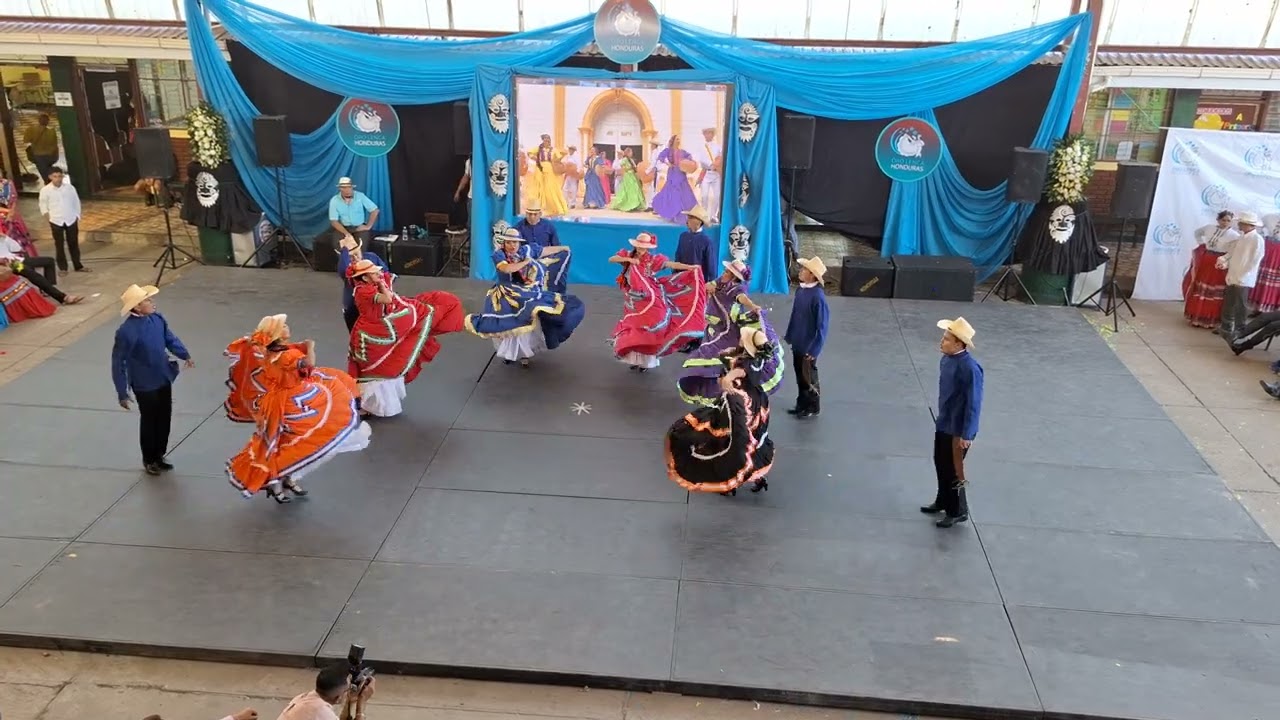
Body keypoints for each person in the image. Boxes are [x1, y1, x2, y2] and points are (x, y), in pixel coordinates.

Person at [227, 314, 370, 503]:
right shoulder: (287, 355)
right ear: (277, 334)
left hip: (278, 400)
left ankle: (283, 480)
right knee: (303, 441)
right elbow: (309, 366)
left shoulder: (270, 351)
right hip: (292, 399)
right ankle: (278, 479)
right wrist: (310, 348)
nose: (287, 327)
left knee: (280, 442)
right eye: (283, 326)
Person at [347, 258, 465, 417]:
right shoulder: (363, 291)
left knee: (386, 365)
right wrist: (381, 284)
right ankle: (367, 404)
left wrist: (380, 281)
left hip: (380, 327)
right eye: (374, 273)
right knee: (376, 369)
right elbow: (388, 299)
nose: (379, 274)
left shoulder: (369, 286)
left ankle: (371, 405)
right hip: (373, 331)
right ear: (365, 277)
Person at [465, 227, 584, 368]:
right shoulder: (499, 255)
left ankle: (524, 353)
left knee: (527, 321)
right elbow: (506, 269)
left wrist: (562, 248)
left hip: (525, 293)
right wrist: (526, 262)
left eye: (515, 242)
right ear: (504, 243)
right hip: (505, 295)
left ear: (519, 243)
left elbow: (543, 251)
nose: (512, 245)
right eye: (509, 242)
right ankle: (508, 353)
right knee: (506, 325)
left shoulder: (525, 251)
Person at [665, 347, 774, 496]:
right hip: (754, 401)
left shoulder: (736, 386)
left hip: (739, 405)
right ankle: (755, 476)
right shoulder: (754, 361)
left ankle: (737, 478)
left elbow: (740, 371)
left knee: (732, 441)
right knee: (751, 437)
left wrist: (727, 378)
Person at [112, 284, 193, 476]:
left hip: (162, 376)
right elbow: (118, 362)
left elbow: (169, 338)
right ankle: (149, 458)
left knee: (164, 416)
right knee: (149, 419)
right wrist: (122, 392)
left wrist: (184, 354)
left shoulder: (157, 319)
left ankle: (159, 454)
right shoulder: (126, 332)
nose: (152, 302)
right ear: (137, 307)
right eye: (147, 300)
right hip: (144, 382)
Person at [678, 260, 781, 406]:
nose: (724, 273)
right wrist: (710, 287)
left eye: (727, 272)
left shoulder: (736, 289)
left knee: (712, 357)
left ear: (734, 277)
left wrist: (753, 306)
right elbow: (709, 285)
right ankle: (716, 389)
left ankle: (726, 390)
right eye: (725, 271)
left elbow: (742, 298)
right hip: (714, 329)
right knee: (714, 360)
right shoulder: (722, 281)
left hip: (727, 330)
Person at [608, 232, 707, 371]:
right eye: (639, 245)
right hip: (633, 298)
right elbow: (612, 259)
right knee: (635, 326)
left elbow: (670, 263)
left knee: (650, 325)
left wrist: (689, 268)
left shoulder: (652, 260)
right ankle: (636, 359)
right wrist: (629, 260)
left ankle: (647, 361)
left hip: (650, 296)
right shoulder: (628, 256)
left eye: (644, 246)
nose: (641, 248)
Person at [921, 317, 984, 529]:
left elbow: (974, 403)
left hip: (958, 428)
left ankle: (958, 510)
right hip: (945, 422)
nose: (942, 341)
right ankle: (943, 500)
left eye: (947, 339)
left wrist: (968, 434)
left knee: (953, 469)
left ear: (959, 344)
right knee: (941, 462)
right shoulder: (947, 360)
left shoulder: (970, 368)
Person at [784, 256, 830, 418]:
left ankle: (812, 405)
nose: (801, 271)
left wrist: (815, 349)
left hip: (808, 346)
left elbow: (822, 326)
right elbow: (795, 316)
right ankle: (802, 403)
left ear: (812, 275)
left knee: (808, 375)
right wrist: (790, 335)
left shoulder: (818, 297)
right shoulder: (801, 291)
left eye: (804, 270)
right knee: (800, 375)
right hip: (798, 342)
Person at [1183, 210, 1237, 328]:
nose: (1225, 223)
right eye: (1223, 220)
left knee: (1214, 290)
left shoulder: (1234, 235)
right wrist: (1202, 244)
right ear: (1218, 220)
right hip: (1206, 259)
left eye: (1228, 221)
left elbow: (1233, 251)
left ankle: (1211, 319)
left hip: (1219, 263)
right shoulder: (1209, 228)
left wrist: (1225, 261)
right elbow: (1197, 233)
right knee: (1201, 287)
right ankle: (1196, 316)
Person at [1218, 211, 1266, 337]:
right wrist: (1224, 262)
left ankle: (1240, 330)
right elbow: (1233, 254)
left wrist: (1244, 275)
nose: (1238, 224)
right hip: (1234, 274)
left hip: (1243, 278)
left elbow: (1255, 261)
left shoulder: (1257, 239)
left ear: (1247, 224)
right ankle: (1226, 327)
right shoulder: (1242, 237)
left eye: (1241, 223)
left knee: (1240, 305)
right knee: (1229, 302)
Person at [1, 232, 81, 305]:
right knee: (31, 273)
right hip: (6, 265)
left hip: (16, 260)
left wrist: (6, 238)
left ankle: (48, 289)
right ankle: (62, 297)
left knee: (49, 261)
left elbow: (17, 248)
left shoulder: (2, 239)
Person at [278, 663, 375, 720]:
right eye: (347, 689)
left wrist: (350, 701)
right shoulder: (320, 711)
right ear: (337, 698)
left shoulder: (303, 698)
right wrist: (361, 703)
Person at [38, 166, 87, 274]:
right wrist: (49, 218)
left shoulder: (70, 188)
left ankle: (78, 265)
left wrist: (77, 215)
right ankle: (63, 268)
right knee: (59, 245)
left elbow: (76, 202)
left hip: (70, 218)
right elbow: (43, 205)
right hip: (56, 220)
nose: (58, 179)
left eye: (60, 176)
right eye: (55, 176)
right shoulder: (45, 190)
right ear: (50, 177)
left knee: (73, 243)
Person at [335, 235, 387, 332]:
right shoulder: (348, 268)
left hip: (376, 303)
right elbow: (343, 269)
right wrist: (345, 250)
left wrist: (381, 284)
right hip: (353, 306)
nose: (355, 258)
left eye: (356, 253)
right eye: (351, 256)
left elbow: (386, 272)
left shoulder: (371, 257)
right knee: (356, 334)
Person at [651, 135, 699, 223]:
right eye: (677, 139)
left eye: (679, 139)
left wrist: (689, 163)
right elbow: (660, 157)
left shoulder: (683, 152)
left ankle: (683, 212)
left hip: (681, 173)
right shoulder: (668, 151)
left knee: (683, 190)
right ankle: (672, 212)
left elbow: (690, 157)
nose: (678, 141)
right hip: (672, 172)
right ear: (673, 141)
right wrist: (668, 163)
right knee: (672, 191)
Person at [328, 177, 379, 245]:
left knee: (361, 245)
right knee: (339, 244)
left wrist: (368, 226)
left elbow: (375, 210)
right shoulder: (334, 200)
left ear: (352, 187)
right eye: (344, 188)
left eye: (349, 187)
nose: (347, 190)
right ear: (340, 189)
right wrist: (347, 234)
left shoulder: (360, 196)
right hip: (343, 228)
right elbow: (334, 221)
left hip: (359, 227)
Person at [527, 134, 569, 216]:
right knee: (539, 187)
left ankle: (555, 208)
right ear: (543, 141)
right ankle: (539, 208)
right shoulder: (538, 149)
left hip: (549, 169)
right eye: (545, 140)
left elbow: (557, 159)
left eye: (548, 140)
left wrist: (563, 155)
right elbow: (529, 153)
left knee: (551, 188)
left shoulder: (553, 150)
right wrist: (534, 158)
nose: (547, 142)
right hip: (539, 169)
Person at [674, 205, 718, 280]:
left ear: (699, 222)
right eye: (688, 218)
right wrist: (675, 275)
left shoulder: (706, 241)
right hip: (682, 280)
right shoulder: (683, 236)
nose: (687, 221)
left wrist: (711, 283)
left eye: (690, 218)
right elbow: (678, 257)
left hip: (698, 281)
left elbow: (711, 266)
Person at [694, 128, 723, 224]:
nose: (707, 135)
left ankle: (713, 216)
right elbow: (701, 159)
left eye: (709, 133)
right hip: (706, 173)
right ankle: (704, 215)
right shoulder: (701, 147)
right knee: (704, 196)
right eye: (706, 133)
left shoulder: (718, 147)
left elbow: (721, 157)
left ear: (712, 134)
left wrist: (717, 164)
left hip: (716, 174)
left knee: (717, 196)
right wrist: (711, 164)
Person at [1251, 217, 1280, 314]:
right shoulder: (1269, 216)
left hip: (1278, 257)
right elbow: (1258, 230)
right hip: (1267, 250)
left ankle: (1268, 310)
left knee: (1273, 283)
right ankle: (1257, 307)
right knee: (1261, 280)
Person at [23, 113, 60, 181]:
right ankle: (52, 182)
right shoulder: (52, 131)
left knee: (44, 173)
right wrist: (56, 155)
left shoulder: (31, 129)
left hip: (38, 155)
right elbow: (55, 144)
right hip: (50, 155)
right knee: (49, 171)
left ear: (39, 120)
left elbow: (25, 140)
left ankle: (49, 183)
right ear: (48, 121)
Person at [608, 148, 646, 213]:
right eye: (630, 152)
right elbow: (622, 168)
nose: (631, 153)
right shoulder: (624, 160)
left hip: (633, 176)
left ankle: (636, 204)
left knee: (635, 189)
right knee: (629, 190)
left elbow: (635, 167)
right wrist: (627, 170)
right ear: (628, 153)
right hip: (628, 176)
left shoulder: (631, 160)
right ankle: (629, 204)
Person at [453, 156, 472, 220]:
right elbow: (466, 176)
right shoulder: (470, 161)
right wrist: (458, 191)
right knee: (471, 221)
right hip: (472, 197)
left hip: (487, 198)